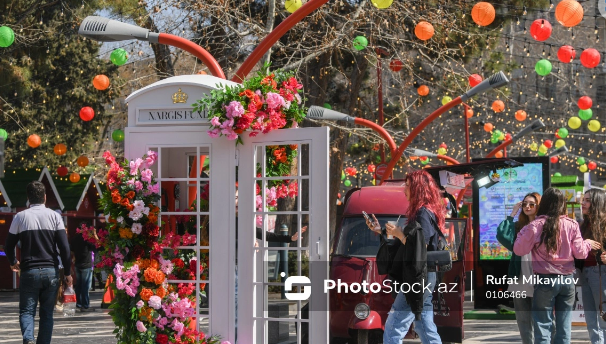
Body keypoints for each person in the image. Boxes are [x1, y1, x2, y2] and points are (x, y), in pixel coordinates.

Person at [367, 170, 444, 344]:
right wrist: (381, 230)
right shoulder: (428, 211)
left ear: (418, 188)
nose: (405, 190)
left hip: (418, 277)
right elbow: (412, 243)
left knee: (394, 326)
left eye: (408, 186)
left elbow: (420, 246)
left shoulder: (423, 213)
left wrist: (399, 234)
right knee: (424, 324)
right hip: (425, 275)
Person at [514, 187, 599, 344]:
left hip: (544, 280)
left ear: (544, 204)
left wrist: (521, 232)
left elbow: (519, 250)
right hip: (567, 280)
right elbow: (580, 253)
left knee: (542, 326)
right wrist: (587, 243)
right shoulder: (572, 224)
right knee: (564, 326)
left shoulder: (535, 225)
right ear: (562, 204)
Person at [3, 181, 72, 344]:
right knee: (47, 313)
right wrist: (67, 272)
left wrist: (13, 261)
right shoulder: (55, 217)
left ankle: (28, 339)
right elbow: (64, 247)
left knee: (27, 311)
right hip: (51, 272)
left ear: (28, 198)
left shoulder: (20, 217)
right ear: (45, 197)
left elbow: (8, 245)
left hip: (29, 272)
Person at [496, 192, 541, 344]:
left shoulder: (544, 225)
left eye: (531, 204)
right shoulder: (518, 226)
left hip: (541, 276)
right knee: (523, 319)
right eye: (524, 204)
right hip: (520, 276)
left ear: (538, 206)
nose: (527, 207)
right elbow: (502, 236)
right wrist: (512, 214)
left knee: (543, 318)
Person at [578, 189, 606, 343]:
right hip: (585, 273)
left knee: (604, 317)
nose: (583, 203)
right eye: (584, 199)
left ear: (597, 203)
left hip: (601, 272)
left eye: (587, 200)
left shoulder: (604, 223)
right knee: (591, 320)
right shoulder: (584, 224)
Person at [70, 226, 98, 312]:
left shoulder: (74, 239)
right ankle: (85, 305)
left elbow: (71, 250)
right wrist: (95, 234)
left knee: (78, 285)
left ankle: (79, 304)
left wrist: (74, 258)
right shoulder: (87, 239)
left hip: (77, 264)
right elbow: (97, 245)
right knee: (85, 286)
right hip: (86, 265)